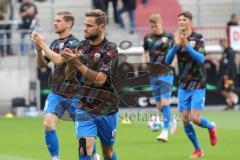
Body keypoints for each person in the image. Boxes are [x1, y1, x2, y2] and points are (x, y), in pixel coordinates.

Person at [31, 11, 100, 160]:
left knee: (83, 132)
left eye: (59, 21)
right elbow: (42, 64)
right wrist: (38, 50)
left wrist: (42, 44)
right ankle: (55, 158)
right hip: (57, 92)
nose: (55, 23)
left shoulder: (75, 43)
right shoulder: (55, 43)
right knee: (48, 124)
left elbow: (59, 61)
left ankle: (93, 152)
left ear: (68, 24)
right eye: (54, 20)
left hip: (76, 94)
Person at [165, 11, 218, 158]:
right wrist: (176, 46)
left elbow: (201, 59)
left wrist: (187, 46)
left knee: (195, 118)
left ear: (190, 22)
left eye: (184, 19)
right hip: (183, 85)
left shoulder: (197, 38)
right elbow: (168, 61)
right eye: (180, 19)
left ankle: (211, 126)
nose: (181, 21)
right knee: (186, 120)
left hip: (198, 83)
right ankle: (198, 150)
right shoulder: (174, 38)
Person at [141, 13, 177, 142]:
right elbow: (145, 52)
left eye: (155, 25)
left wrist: (172, 65)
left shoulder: (169, 37)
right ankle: (171, 119)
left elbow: (176, 53)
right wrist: (144, 62)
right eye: (151, 26)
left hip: (166, 73)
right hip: (153, 73)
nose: (153, 28)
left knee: (164, 102)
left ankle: (165, 132)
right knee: (159, 105)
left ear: (160, 23)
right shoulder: (148, 37)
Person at [218, 38, 238, 110]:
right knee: (221, 89)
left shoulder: (230, 51)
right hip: (224, 75)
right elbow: (224, 62)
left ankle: (231, 104)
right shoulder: (225, 51)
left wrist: (226, 74)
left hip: (229, 75)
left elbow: (230, 64)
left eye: (221, 43)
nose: (220, 45)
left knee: (228, 89)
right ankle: (231, 102)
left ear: (225, 42)